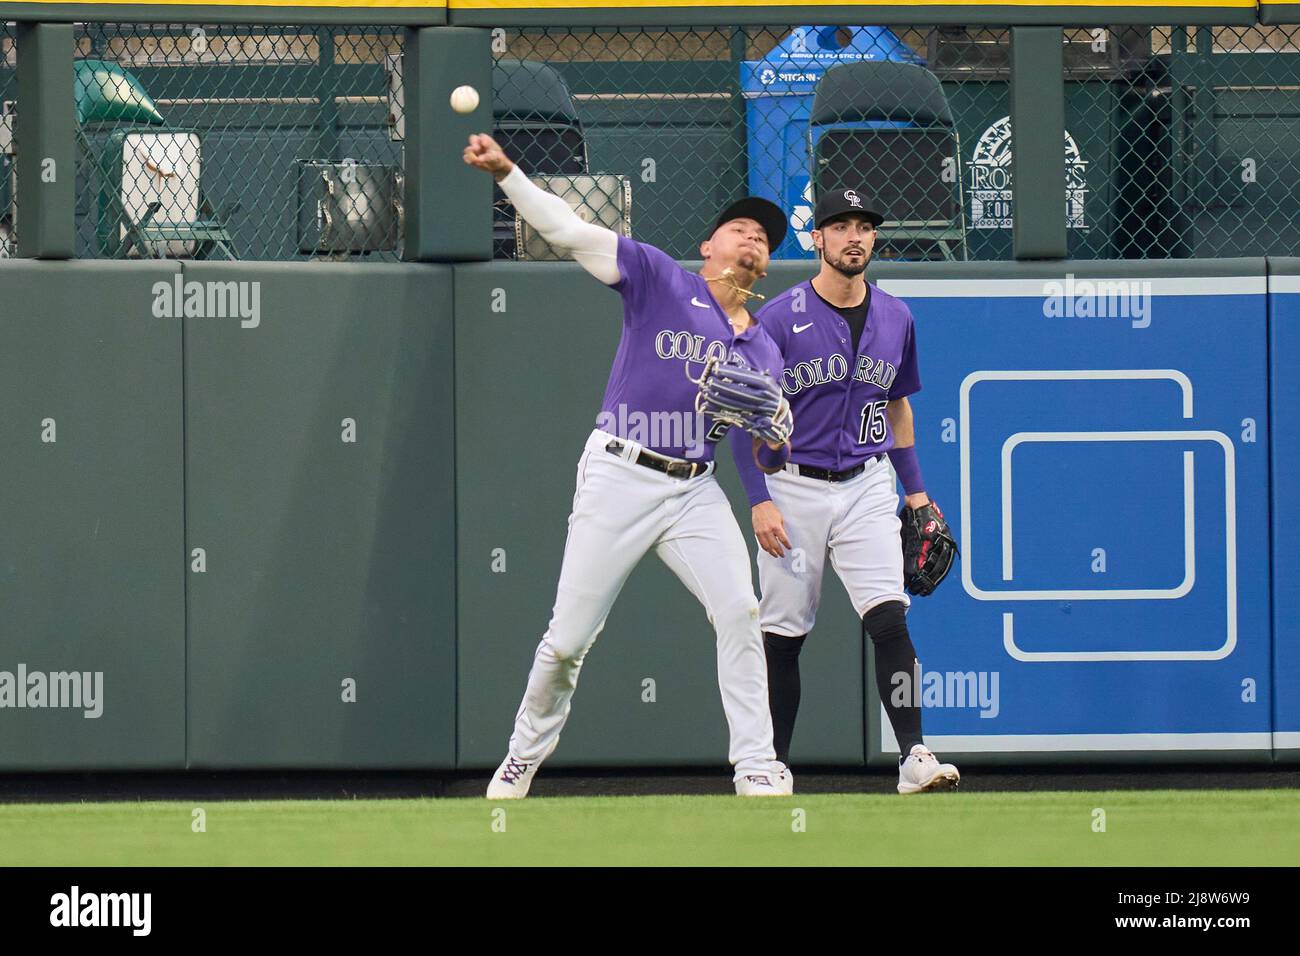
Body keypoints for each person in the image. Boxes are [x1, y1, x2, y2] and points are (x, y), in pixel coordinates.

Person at [462, 133, 795, 798]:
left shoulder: (762, 348)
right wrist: (508, 174)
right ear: (710, 246)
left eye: (763, 236)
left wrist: (777, 431)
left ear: (767, 260)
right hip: (620, 472)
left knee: (739, 609)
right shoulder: (659, 276)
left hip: (694, 489)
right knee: (567, 642)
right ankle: (524, 754)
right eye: (738, 228)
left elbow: (765, 449)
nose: (751, 240)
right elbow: (568, 230)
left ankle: (757, 761)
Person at [734, 187, 961, 794]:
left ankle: (914, 756)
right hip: (792, 486)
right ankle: (769, 765)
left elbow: (898, 406)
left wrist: (916, 495)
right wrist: (759, 498)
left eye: (864, 225)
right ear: (819, 239)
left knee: (890, 619)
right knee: (784, 632)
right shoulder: (779, 318)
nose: (854, 235)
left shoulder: (897, 316)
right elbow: (745, 414)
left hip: (866, 483)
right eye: (841, 226)